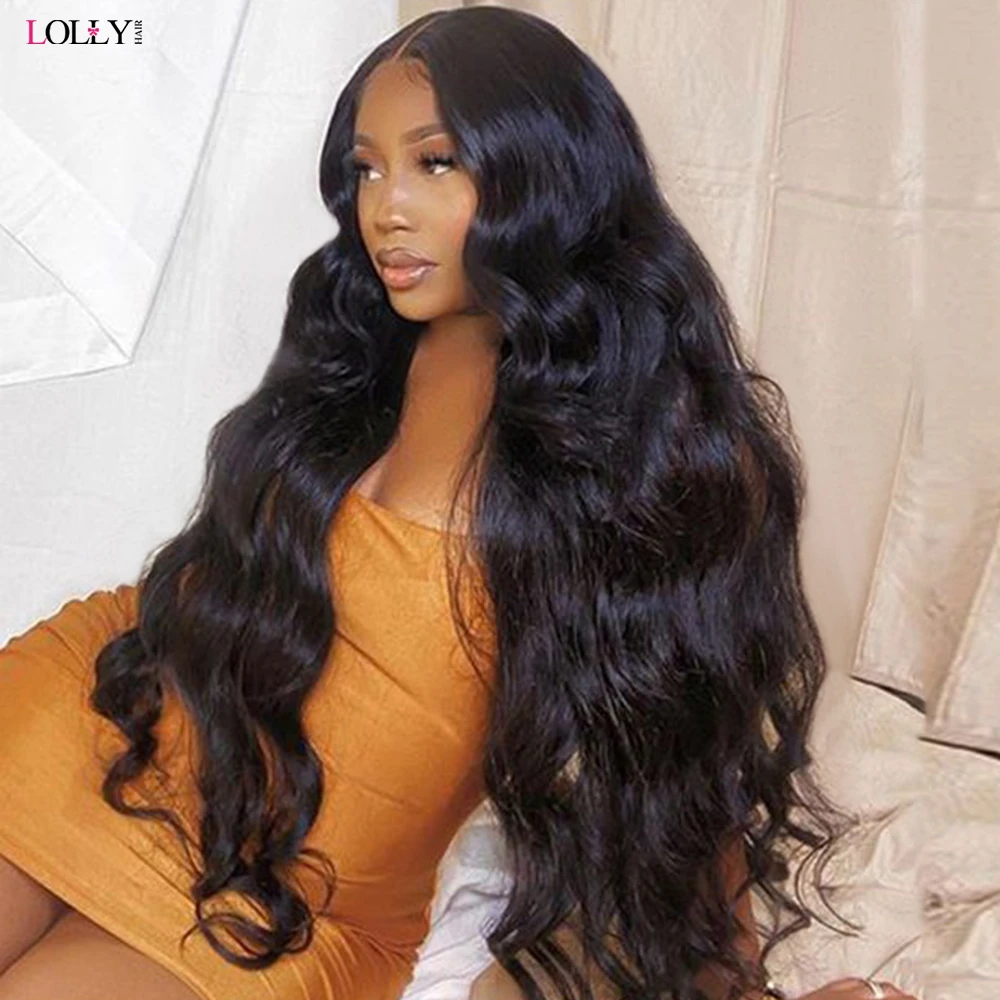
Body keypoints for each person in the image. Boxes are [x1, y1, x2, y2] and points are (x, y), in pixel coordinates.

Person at [0, 8, 920, 1000]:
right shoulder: (366, 345)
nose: (385, 209)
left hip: (282, 905)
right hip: (93, 726)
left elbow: (686, 766)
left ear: (546, 168)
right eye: (366, 168)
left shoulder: (652, 452)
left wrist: (736, 984)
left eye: (435, 163)